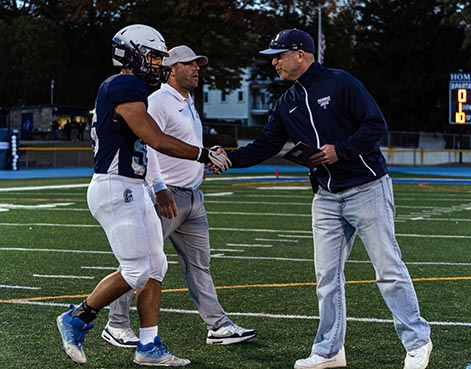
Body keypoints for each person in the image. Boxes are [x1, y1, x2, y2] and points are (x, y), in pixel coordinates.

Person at [224, 28, 432, 369]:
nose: (273, 62)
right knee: (326, 278)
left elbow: (375, 124)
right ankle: (329, 351)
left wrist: (341, 151)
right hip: (325, 196)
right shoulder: (286, 102)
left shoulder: (340, 82)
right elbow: (266, 144)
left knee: (388, 270)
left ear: (301, 55)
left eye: (278, 55)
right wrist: (229, 159)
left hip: (367, 187)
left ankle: (417, 341)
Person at [55, 24, 230, 367]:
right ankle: (77, 318)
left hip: (132, 185)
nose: (157, 64)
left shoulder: (132, 87)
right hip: (114, 186)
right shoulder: (124, 83)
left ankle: (149, 346)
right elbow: (154, 138)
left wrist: (157, 184)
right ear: (130, 54)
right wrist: (202, 153)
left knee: (156, 266)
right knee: (136, 271)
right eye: (151, 56)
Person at [101, 45, 256, 349]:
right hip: (167, 196)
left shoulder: (187, 101)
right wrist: (159, 188)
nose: (197, 68)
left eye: (198, 64)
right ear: (171, 69)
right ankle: (116, 323)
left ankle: (218, 326)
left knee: (200, 265)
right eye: (189, 64)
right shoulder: (158, 100)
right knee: (138, 263)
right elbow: (149, 144)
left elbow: (184, 144)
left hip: (193, 197)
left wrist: (203, 163)